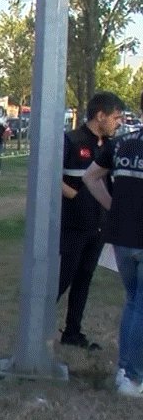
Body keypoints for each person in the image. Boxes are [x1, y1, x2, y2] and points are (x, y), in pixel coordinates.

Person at [82, 90, 143, 397]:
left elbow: (91, 177)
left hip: (122, 237)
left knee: (134, 302)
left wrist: (113, 207)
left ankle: (124, 369)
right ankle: (133, 379)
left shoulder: (121, 144)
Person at [58, 92, 125, 352]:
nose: (118, 123)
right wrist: (73, 194)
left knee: (84, 279)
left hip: (98, 226)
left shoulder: (110, 146)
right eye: (116, 118)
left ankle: (73, 332)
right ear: (100, 116)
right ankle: (36, 331)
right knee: (63, 279)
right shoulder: (72, 140)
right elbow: (50, 174)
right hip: (73, 225)